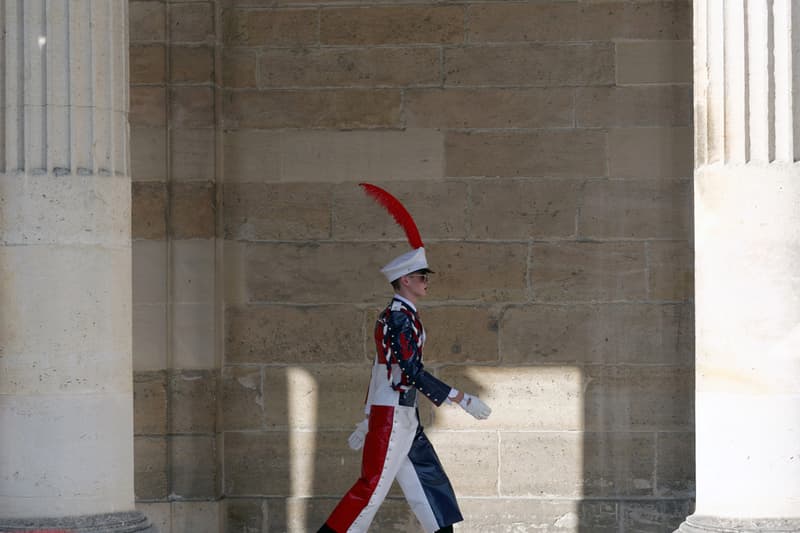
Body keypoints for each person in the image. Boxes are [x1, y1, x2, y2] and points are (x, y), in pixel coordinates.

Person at [317, 185, 492, 533]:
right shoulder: (398, 316)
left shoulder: (405, 315)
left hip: (401, 412)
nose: (427, 283)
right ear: (406, 280)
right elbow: (408, 370)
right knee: (370, 490)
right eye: (422, 277)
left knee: (428, 485)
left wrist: (368, 415)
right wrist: (459, 397)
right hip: (394, 414)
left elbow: (383, 367)